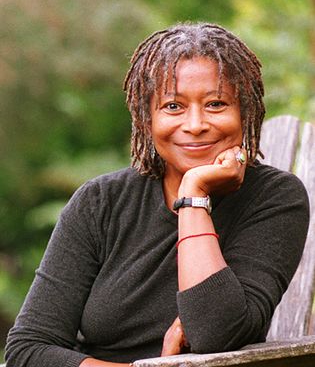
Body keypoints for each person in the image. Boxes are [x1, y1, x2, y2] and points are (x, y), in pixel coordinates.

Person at [5, 22, 309, 367]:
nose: (195, 124)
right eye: (173, 107)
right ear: (146, 119)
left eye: (216, 103)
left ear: (245, 112)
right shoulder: (100, 202)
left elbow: (216, 334)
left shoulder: (274, 198)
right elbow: (28, 350)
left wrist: (194, 194)